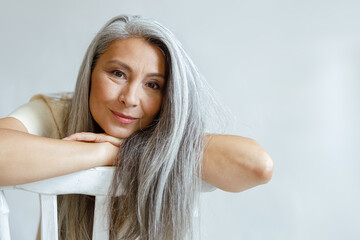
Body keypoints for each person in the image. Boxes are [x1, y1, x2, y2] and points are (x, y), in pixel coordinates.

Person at [0, 15, 273, 240]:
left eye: (153, 85)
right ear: (90, 73)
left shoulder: (164, 128)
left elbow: (257, 166)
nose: (129, 99)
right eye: (118, 73)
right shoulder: (58, 112)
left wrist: (129, 150)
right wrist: (104, 153)